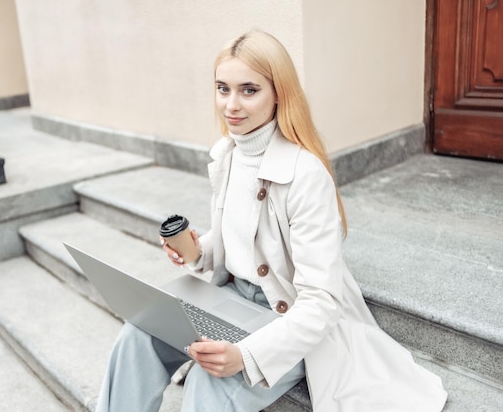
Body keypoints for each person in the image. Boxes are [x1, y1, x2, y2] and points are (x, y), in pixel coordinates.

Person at [94, 30, 448, 412]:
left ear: (278, 92)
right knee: (137, 333)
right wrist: (199, 249)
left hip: (289, 318)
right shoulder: (228, 154)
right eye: (222, 88)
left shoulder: (306, 174)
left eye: (249, 90)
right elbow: (246, 237)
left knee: (209, 379)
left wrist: (244, 355)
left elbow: (321, 302)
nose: (231, 104)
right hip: (233, 299)